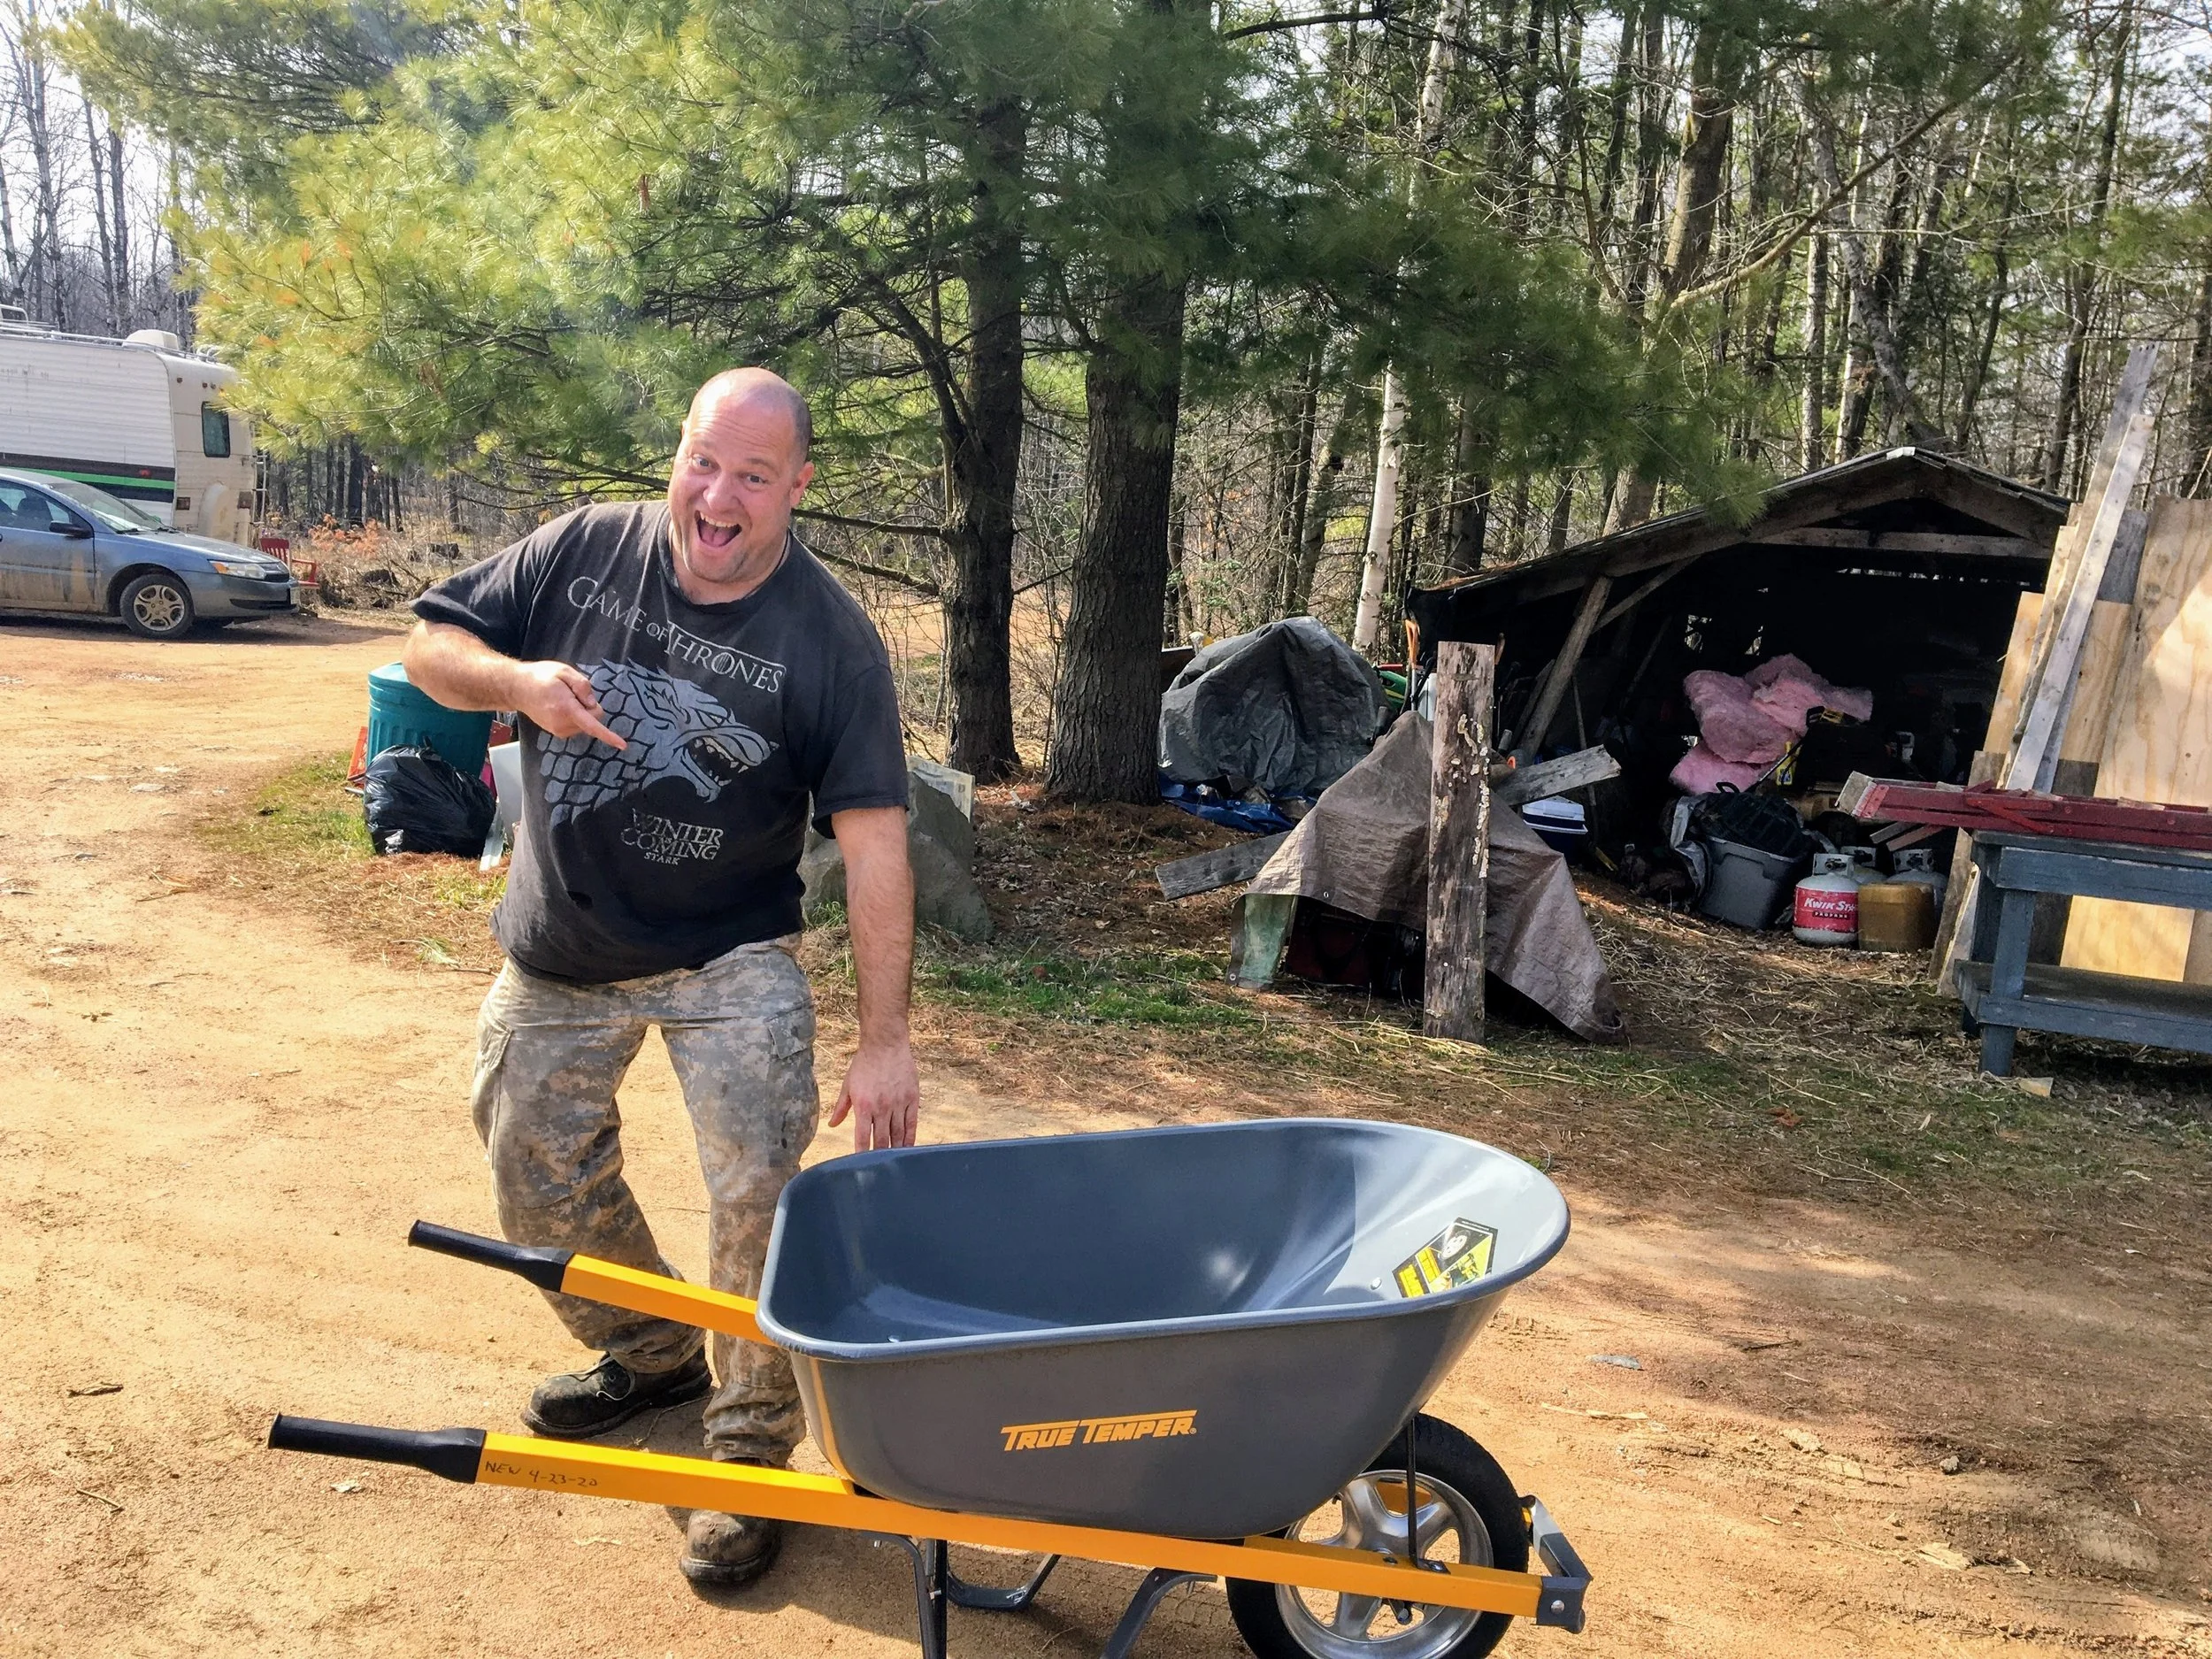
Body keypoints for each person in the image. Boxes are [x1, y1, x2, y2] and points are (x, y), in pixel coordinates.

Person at [403, 366, 919, 1588]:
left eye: (752, 475)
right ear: (675, 457)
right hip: (563, 946)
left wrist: (886, 1035)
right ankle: (652, 1352)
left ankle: (743, 1454)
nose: (718, 495)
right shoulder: (582, 552)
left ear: (797, 487)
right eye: (702, 460)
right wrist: (518, 682)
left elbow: (877, 838)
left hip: (730, 952)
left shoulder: (830, 640)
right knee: (534, 1176)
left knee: (757, 1187)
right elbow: (431, 644)